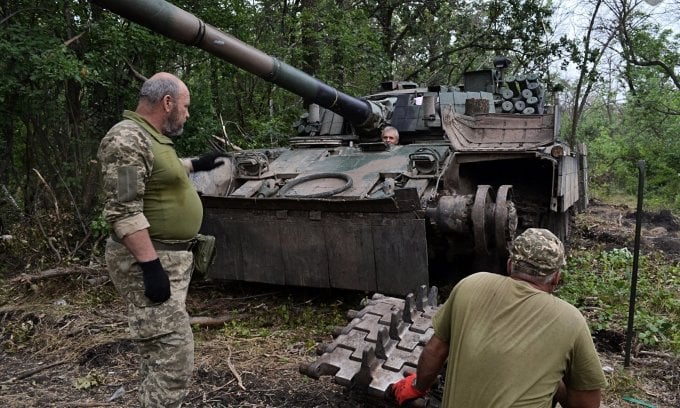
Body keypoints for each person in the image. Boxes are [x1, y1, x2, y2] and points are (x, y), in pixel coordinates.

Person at [97, 72, 225, 407]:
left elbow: (157, 172)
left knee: (156, 351)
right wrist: (151, 267)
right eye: (185, 106)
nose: (187, 114)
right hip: (151, 260)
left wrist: (195, 164)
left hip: (168, 259)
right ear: (167, 103)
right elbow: (124, 210)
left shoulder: (149, 137)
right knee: (173, 359)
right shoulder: (126, 139)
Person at [390, 228, 607, 408]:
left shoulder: (471, 284)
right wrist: (553, 376)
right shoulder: (571, 320)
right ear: (556, 278)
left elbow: (435, 350)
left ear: (510, 264)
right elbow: (586, 403)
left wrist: (417, 387)